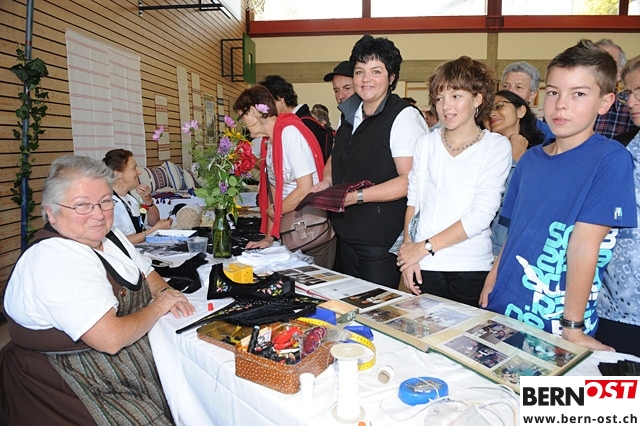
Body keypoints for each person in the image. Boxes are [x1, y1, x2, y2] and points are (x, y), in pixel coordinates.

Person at [0, 155, 195, 425]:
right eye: (82, 205)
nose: (98, 214)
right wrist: (160, 306)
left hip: (122, 365)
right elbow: (110, 339)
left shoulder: (111, 237)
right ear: (51, 212)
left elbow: (148, 273)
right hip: (70, 381)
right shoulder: (54, 258)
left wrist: (164, 292)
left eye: (105, 201)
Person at [480, 40, 637, 351]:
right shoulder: (530, 160)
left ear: (605, 102)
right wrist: (492, 279)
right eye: (553, 92)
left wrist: (573, 327)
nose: (561, 104)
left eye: (578, 94)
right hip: (505, 304)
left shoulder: (610, 159)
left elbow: (584, 245)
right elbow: (513, 233)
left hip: (558, 318)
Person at [313, 34, 427, 288]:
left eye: (376, 71)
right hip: (346, 232)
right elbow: (336, 154)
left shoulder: (403, 117)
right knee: (349, 302)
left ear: (391, 77)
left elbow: (410, 181)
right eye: (359, 71)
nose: (366, 79)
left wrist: (357, 197)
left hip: (379, 240)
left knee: (375, 304)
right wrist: (327, 180)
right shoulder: (350, 113)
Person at [396, 56, 512, 306]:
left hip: (471, 266)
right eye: (439, 98)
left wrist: (423, 247)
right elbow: (414, 202)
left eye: (456, 96)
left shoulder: (496, 146)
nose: (446, 106)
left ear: (478, 99)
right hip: (425, 265)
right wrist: (408, 251)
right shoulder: (426, 143)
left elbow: (481, 215)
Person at [234, 85, 337, 269]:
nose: (242, 123)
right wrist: (268, 238)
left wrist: (277, 211)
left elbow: (305, 188)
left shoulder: (289, 133)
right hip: (292, 231)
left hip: (312, 233)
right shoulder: (271, 142)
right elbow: (274, 193)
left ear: (254, 112)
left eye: (242, 116)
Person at [596, 54, 640, 356]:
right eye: (628, 94)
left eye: (639, 93)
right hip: (615, 304)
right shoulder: (620, 149)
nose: (631, 102)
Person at [485, 90, 545, 255]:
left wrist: (515, 161)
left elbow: (518, 203)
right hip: (486, 246)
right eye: (487, 110)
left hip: (517, 247)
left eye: (499, 106)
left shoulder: (542, 154)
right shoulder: (483, 154)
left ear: (521, 111)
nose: (491, 113)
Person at [103, 149, 172, 244]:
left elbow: (153, 222)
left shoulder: (131, 198)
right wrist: (154, 230)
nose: (139, 172)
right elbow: (117, 243)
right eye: (134, 168)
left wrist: (148, 200)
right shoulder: (108, 204)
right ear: (118, 174)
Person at [259, 75, 334, 162]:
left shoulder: (304, 124)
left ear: (280, 98)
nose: (267, 108)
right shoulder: (301, 121)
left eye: (268, 102)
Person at [501, 61, 554, 140]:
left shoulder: (545, 133)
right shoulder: (490, 126)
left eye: (518, 87)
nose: (510, 91)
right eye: (506, 86)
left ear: (532, 95)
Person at [593, 39, 634, 139]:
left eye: (607, 64)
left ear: (620, 73)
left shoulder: (632, 111)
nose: (597, 69)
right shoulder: (566, 105)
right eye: (593, 62)